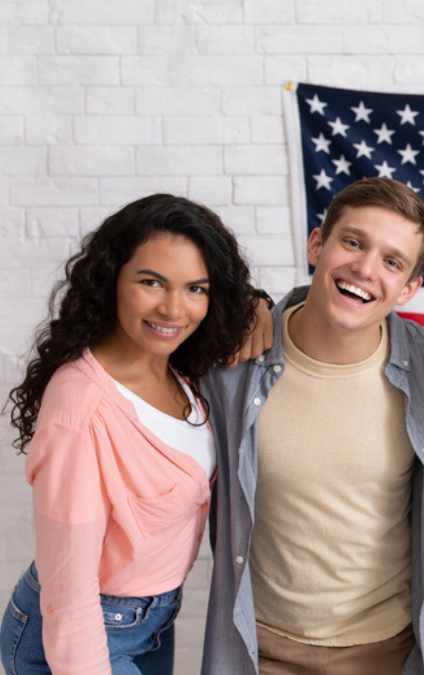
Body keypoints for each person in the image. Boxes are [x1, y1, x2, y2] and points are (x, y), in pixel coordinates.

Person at [200, 178, 424, 675]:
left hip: (391, 651)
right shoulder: (235, 361)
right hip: (261, 652)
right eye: (353, 242)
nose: (364, 269)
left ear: (409, 288)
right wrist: (249, 302)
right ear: (317, 244)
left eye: (392, 261)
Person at [0, 195, 256, 675]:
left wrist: (258, 307)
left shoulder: (181, 369)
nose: (174, 308)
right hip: (83, 632)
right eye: (151, 282)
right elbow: (69, 595)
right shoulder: (81, 410)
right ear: (111, 279)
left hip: (152, 621)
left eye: (196, 288)